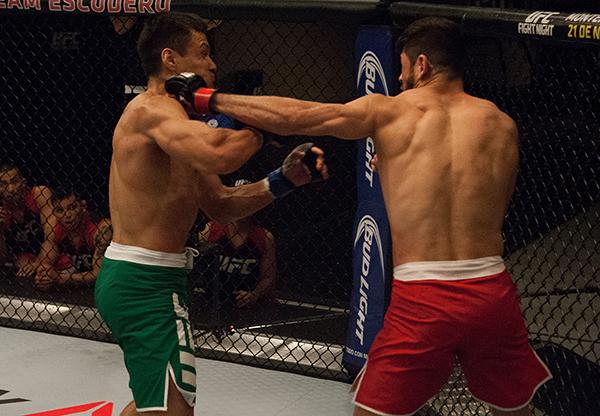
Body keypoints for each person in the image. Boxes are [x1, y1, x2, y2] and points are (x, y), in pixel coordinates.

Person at [170, 16, 552, 416]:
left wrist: (207, 98)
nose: (401, 81)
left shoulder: (391, 112)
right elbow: (493, 205)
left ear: (421, 65)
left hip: (425, 296)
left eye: (402, 71)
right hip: (490, 288)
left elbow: (296, 116)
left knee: (369, 412)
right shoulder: (502, 125)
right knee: (513, 409)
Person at [93, 12, 327, 416]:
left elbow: (220, 204)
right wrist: (262, 128)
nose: (213, 63)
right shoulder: (152, 111)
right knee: (173, 408)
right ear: (170, 60)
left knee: (161, 403)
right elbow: (219, 150)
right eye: (203, 53)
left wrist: (281, 180)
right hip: (142, 281)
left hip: (155, 278)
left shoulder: (179, 125)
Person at [197, 180, 277, 309]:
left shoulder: (264, 237)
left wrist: (254, 294)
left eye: (249, 201)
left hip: (248, 305)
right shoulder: (211, 230)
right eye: (239, 200)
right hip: (211, 301)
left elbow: (269, 277)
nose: (243, 205)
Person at [34, 189, 112, 290]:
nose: (67, 215)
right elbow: (45, 262)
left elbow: (99, 275)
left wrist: (60, 278)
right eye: (60, 210)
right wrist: (44, 276)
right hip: (73, 287)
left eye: (72, 208)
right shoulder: (52, 226)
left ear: (83, 206)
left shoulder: (101, 229)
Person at [0, 165, 57, 278]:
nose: (11, 189)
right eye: (4, 184)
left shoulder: (39, 194)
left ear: (23, 182)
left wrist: (39, 263)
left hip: (49, 256)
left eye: (14, 181)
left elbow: (52, 237)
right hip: (19, 260)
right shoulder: (2, 208)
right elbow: (2, 258)